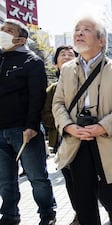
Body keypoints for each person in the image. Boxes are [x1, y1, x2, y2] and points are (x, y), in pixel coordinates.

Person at [52, 14, 112, 225]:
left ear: (101, 40)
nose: (79, 33)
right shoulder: (67, 70)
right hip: (77, 142)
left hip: (111, 142)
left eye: (86, 29)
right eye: (77, 29)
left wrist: (102, 126)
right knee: (85, 206)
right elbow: (58, 104)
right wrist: (69, 127)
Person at [0, 19, 57, 225]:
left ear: (21, 38)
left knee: (37, 177)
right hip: (0, 131)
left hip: (24, 130)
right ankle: (9, 214)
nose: (2, 33)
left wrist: (32, 125)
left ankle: (47, 213)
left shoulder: (32, 61)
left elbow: (37, 97)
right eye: (1, 30)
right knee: (5, 180)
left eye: (8, 31)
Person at [41, 45, 80, 225]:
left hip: (87, 138)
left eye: (70, 54)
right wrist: (67, 126)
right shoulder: (52, 90)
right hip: (63, 142)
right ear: (56, 63)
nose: (66, 56)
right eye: (62, 55)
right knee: (71, 182)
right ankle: (79, 214)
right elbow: (47, 116)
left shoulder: (85, 82)